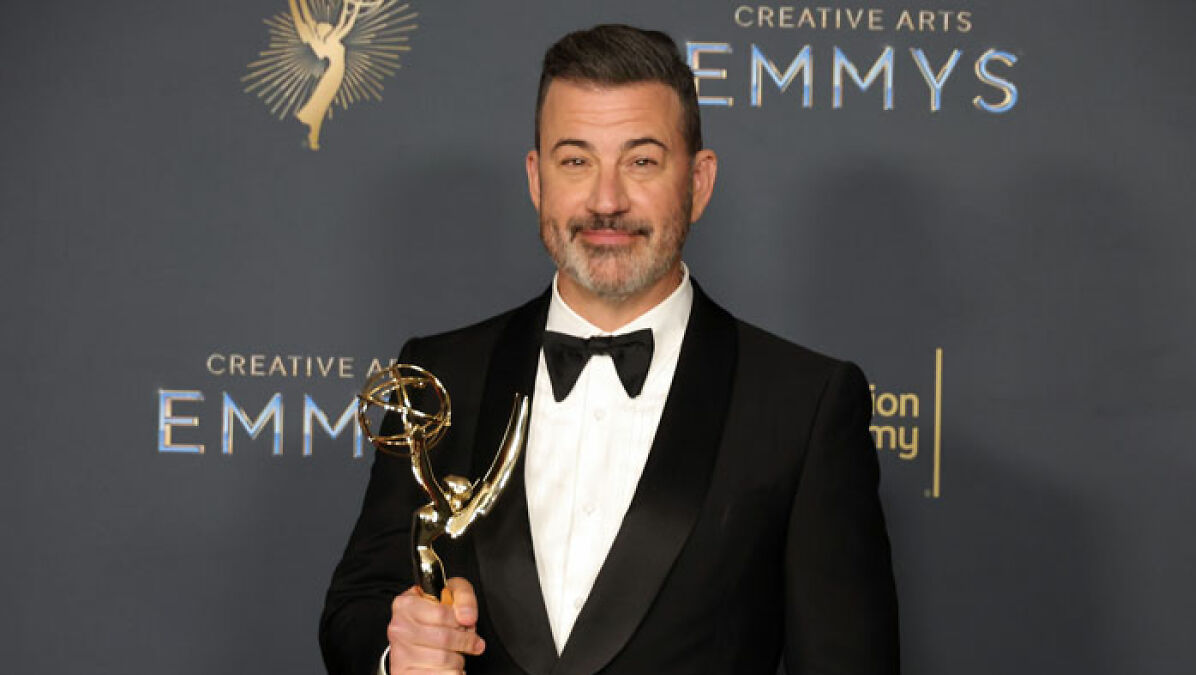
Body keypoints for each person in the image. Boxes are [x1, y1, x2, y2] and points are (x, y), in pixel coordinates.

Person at [320, 24, 899, 675]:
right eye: (576, 160)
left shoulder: (804, 404)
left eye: (641, 160)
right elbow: (357, 607)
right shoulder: (439, 374)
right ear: (537, 179)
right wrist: (396, 650)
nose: (606, 200)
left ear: (699, 182)